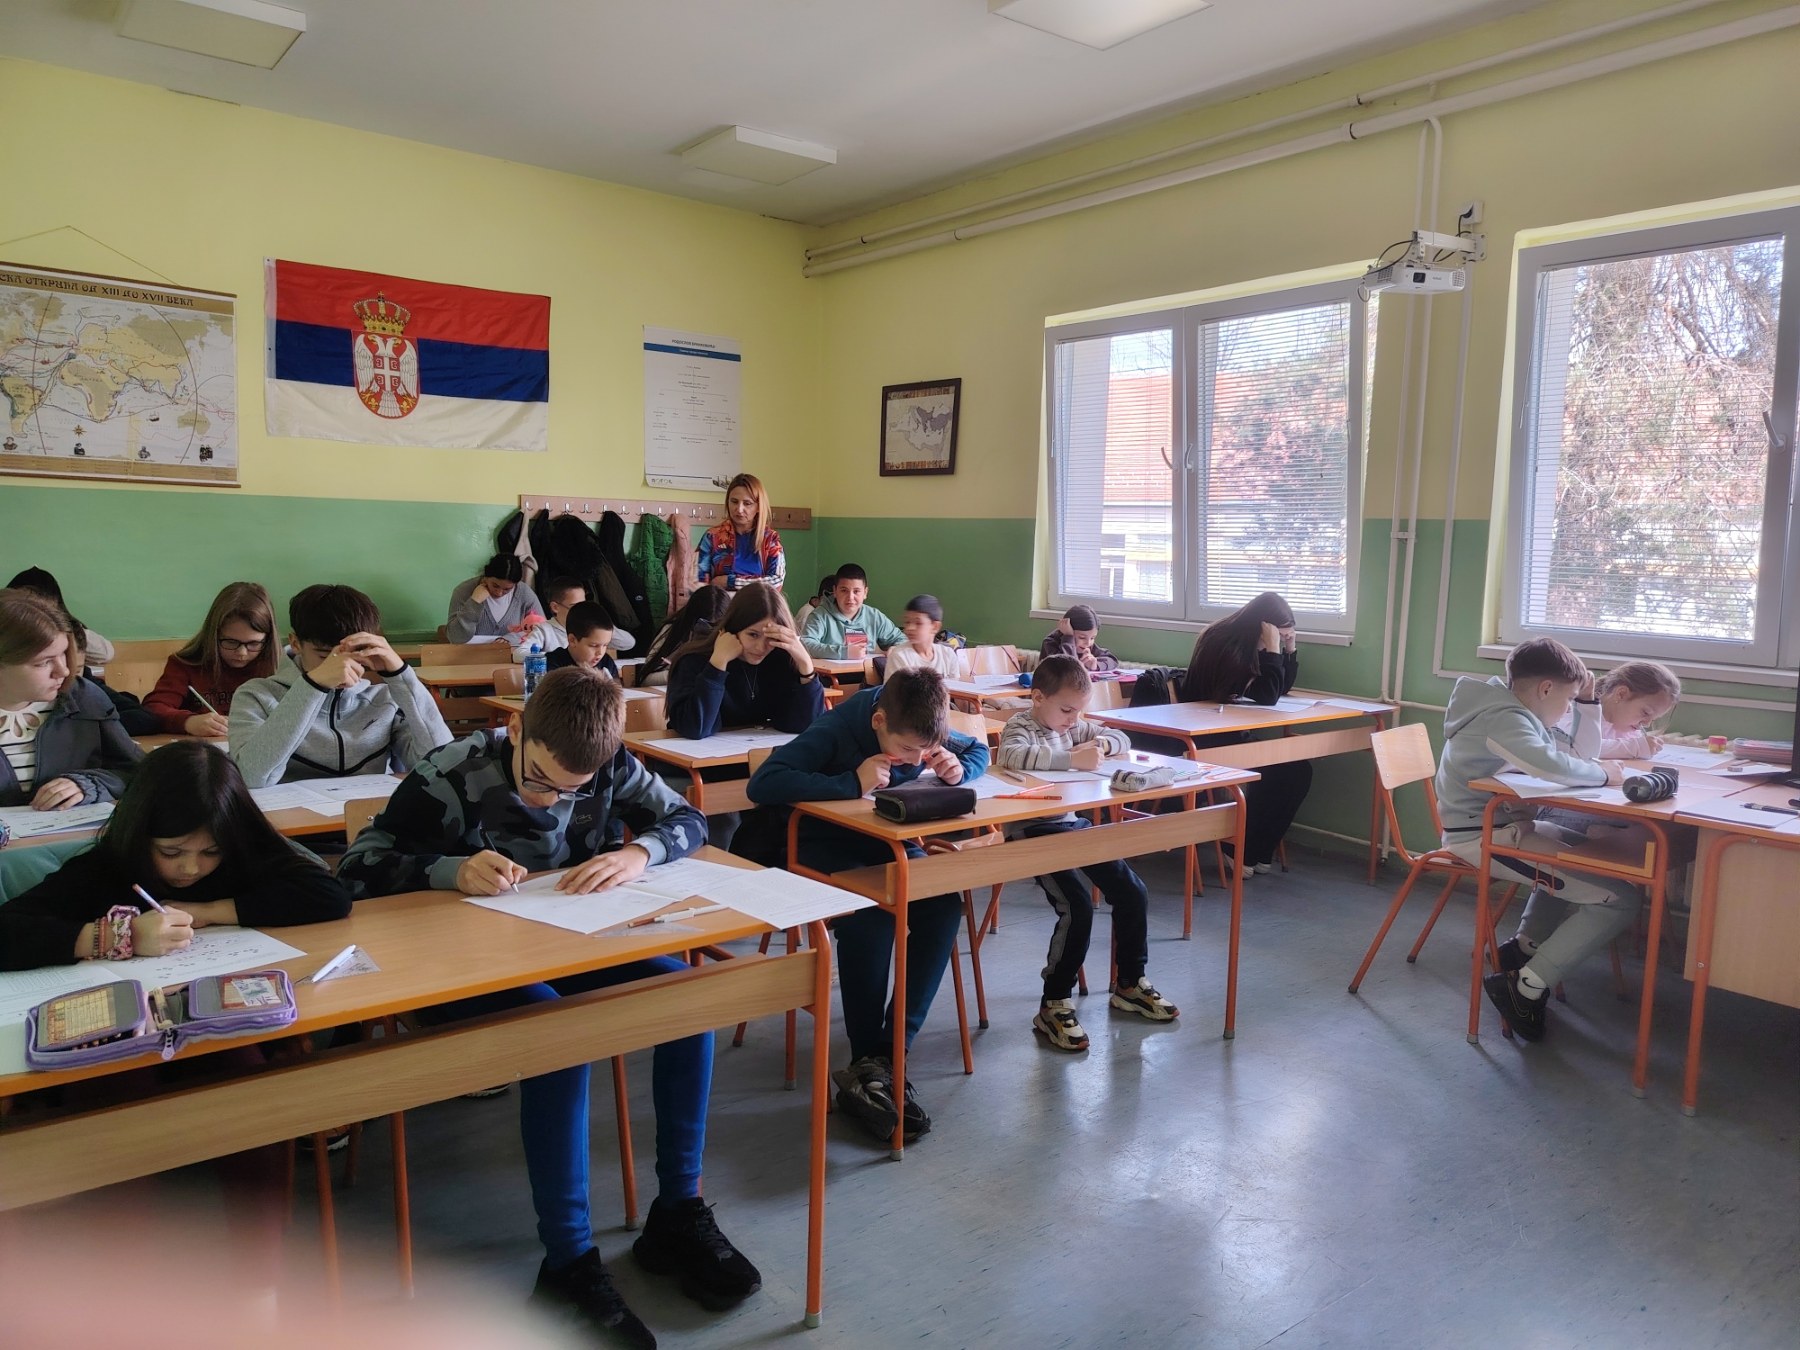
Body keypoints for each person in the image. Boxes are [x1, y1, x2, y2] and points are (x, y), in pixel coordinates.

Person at [339, 667, 759, 1346]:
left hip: (570, 943)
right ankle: (567, 1262)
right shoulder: (451, 771)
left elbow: (688, 818)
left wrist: (639, 852)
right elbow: (358, 866)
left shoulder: (607, 761)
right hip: (466, 965)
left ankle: (677, 1213)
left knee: (687, 1002)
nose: (550, 799)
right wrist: (450, 870)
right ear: (515, 730)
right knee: (558, 1037)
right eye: (538, 781)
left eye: (572, 790)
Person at [2, 739, 352, 1297]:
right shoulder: (107, 869)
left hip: (214, 1029)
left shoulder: (243, 856)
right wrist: (109, 937)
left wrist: (210, 911)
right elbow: (9, 929)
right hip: (118, 1040)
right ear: (141, 835)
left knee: (244, 1077)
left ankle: (259, 1282)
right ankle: (126, 1284)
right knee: (121, 1092)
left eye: (210, 852)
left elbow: (328, 896)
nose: (191, 868)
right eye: (172, 851)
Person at [748, 669, 988, 1142]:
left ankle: (888, 1055)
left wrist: (959, 770)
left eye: (925, 750)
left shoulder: (918, 719)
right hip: (822, 845)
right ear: (879, 722)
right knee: (872, 917)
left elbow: (976, 750)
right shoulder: (839, 726)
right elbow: (764, 783)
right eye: (907, 750)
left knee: (942, 902)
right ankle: (866, 1056)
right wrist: (849, 782)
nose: (916, 760)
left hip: (887, 843)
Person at [1435, 638, 1635, 1044]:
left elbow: (1579, 756)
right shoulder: (1503, 718)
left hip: (1508, 828)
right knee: (1621, 899)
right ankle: (1525, 987)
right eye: (1567, 699)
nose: (1567, 707)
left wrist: (1587, 703)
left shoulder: (1519, 715)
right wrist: (1605, 776)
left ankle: (1522, 950)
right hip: (1482, 837)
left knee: (1586, 857)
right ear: (1546, 688)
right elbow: (1551, 766)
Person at [994, 655, 1177, 1051]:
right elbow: (1010, 756)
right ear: (1038, 698)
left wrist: (1103, 743)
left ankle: (1129, 984)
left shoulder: (1072, 724)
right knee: (1077, 907)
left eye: (1079, 711)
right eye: (1066, 710)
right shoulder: (1020, 726)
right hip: (1033, 831)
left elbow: (1120, 737)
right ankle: (1054, 1002)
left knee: (1132, 891)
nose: (1074, 719)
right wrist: (1072, 758)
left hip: (1071, 824)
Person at [230, 584, 450, 788]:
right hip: (291, 816)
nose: (342, 667)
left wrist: (400, 675)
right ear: (296, 643)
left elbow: (444, 767)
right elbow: (251, 777)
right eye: (325, 655)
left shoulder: (385, 700)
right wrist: (313, 686)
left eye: (353, 655)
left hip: (370, 814)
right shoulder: (256, 696)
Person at [1182, 591, 1312, 874]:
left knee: (1298, 770)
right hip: (1205, 737)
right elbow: (1268, 696)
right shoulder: (1223, 642)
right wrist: (1273, 649)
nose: (1279, 639)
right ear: (1263, 626)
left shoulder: (1250, 641)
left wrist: (1289, 650)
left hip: (1233, 731)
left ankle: (1256, 849)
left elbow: (1280, 688)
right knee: (1274, 772)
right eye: (1278, 634)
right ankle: (1237, 846)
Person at [0, 589, 140, 809]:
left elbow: (137, 771)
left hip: (75, 831)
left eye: (64, 654)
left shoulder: (83, 697)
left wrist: (87, 785)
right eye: (43, 662)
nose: (64, 671)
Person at [665, 584, 824, 740]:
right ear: (733, 628)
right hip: (694, 756)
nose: (760, 647)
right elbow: (695, 728)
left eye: (770, 637)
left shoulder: (780, 658)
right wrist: (717, 664)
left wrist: (805, 665)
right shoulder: (694, 660)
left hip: (752, 753)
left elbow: (807, 725)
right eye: (753, 635)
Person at [143, 582, 278, 737]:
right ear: (214, 635)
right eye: (231, 642)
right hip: (206, 749)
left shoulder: (281, 669)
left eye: (253, 643)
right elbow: (152, 708)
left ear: (267, 640)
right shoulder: (186, 664)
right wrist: (188, 722)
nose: (242, 653)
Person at [6, 566, 116, 676]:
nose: (64, 672)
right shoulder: (9, 634)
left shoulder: (64, 629)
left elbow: (106, 654)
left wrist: (67, 626)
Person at [695, 473, 785, 591]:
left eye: (747, 503)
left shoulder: (770, 539)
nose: (739, 509)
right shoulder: (712, 537)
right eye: (734, 501)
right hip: (719, 601)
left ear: (758, 507)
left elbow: (776, 581)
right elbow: (697, 581)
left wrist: (732, 582)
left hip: (758, 601)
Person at [800, 563, 903, 660]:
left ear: (865, 593)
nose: (850, 597)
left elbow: (902, 639)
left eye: (856, 591)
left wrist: (896, 648)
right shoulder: (819, 615)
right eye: (844, 590)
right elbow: (806, 645)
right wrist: (844, 652)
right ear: (835, 591)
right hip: (831, 673)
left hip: (867, 672)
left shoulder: (874, 616)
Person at [640, 587, 730, 688]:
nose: (707, 634)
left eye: (715, 628)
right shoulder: (673, 632)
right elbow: (646, 679)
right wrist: (683, 673)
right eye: (702, 627)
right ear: (691, 619)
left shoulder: (731, 640)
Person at [1589, 660, 1681, 759]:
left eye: (1653, 719)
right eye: (1646, 713)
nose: (1647, 724)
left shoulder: (1627, 729)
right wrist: (1636, 747)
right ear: (1621, 694)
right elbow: (1583, 747)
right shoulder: (1582, 714)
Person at [447, 553, 544, 644]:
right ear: (486, 576)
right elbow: (455, 638)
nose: (499, 593)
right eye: (495, 585)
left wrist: (510, 638)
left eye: (507, 589)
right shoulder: (464, 591)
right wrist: (474, 602)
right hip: (469, 655)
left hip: (512, 655)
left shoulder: (524, 594)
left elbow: (543, 633)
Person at [882, 595, 961, 679]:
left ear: (935, 627)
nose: (910, 628)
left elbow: (955, 686)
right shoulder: (900, 656)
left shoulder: (948, 655)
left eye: (918, 623)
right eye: (907, 622)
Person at [545, 602, 621, 679]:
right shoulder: (552, 665)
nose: (600, 653)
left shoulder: (607, 663)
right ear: (572, 640)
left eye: (605, 645)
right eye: (594, 646)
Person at [1039, 604, 1118, 671]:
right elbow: (1069, 669)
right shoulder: (1050, 643)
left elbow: (1112, 660)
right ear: (1065, 630)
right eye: (1082, 637)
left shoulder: (1086, 646)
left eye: (1092, 638)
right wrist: (1068, 638)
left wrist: (1096, 665)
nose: (1088, 643)